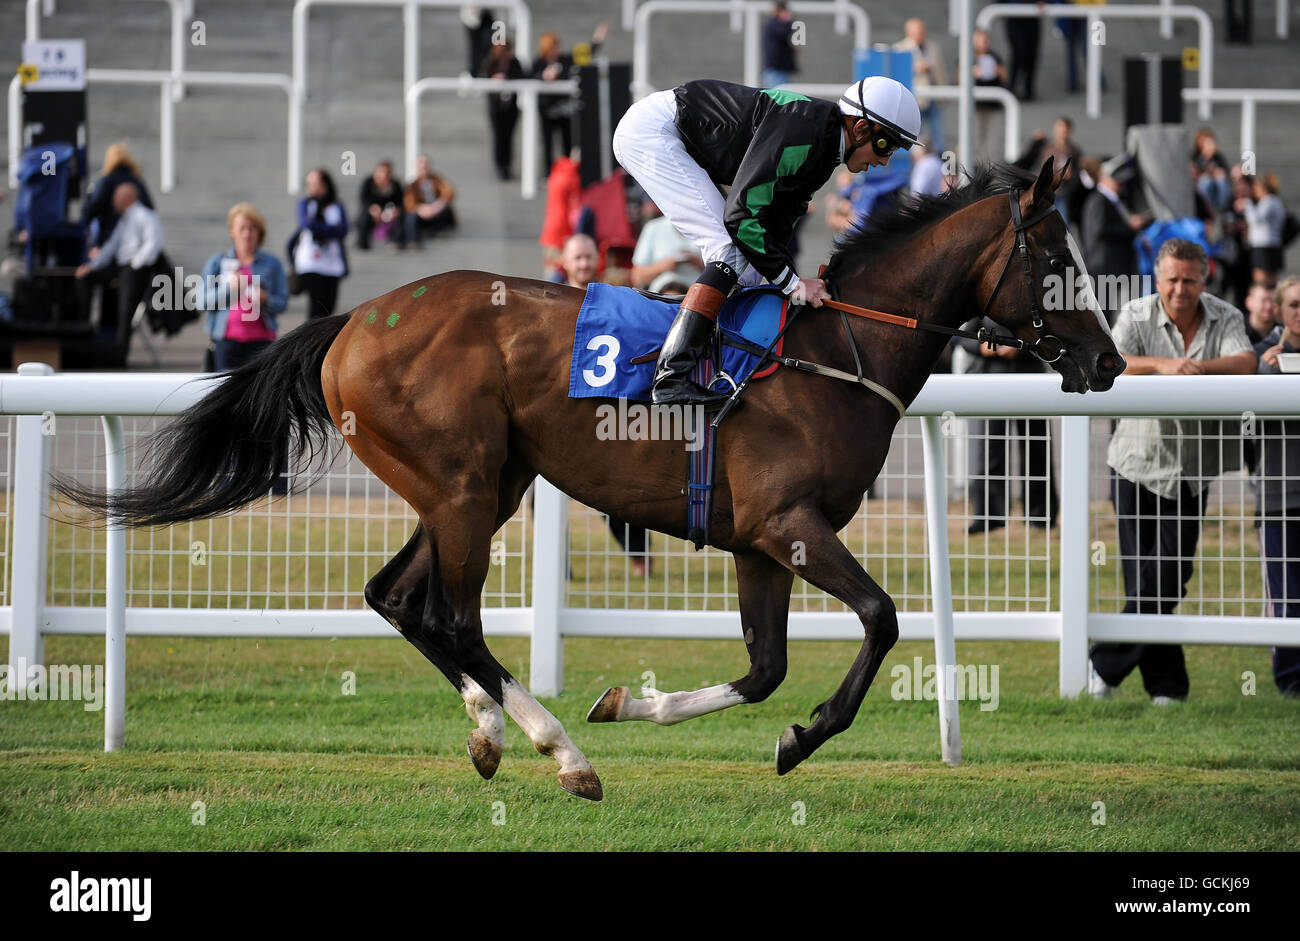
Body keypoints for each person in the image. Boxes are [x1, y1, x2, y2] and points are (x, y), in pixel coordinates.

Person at [612, 75, 921, 407]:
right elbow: (741, 218)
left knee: (748, 273)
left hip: (670, 131)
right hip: (653, 132)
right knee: (729, 251)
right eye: (886, 145)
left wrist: (791, 282)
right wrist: (792, 284)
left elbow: (777, 229)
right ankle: (670, 378)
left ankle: (718, 366)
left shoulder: (823, 149)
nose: (885, 160)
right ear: (860, 128)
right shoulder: (808, 135)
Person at [1091, 239, 1257, 704]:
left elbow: (1246, 363)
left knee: (1169, 573)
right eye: (1172, 279)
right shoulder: (1136, 314)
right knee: (1145, 578)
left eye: (1189, 279)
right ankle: (1167, 687)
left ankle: (1103, 664)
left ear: (1205, 279)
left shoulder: (1226, 316)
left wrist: (1193, 369)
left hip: (1191, 469)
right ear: (1158, 278)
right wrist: (1165, 365)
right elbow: (1112, 363)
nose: (1180, 289)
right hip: (1136, 463)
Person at [562, 233, 651, 575]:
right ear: (565, 263)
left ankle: (640, 559)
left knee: (617, 494)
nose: (583, 264)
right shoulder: (542, 300)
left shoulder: (611, 301)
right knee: (543, 500)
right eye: (577, 258)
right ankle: (559, 567)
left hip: (603, 413)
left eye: (587, 257)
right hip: (556, 414)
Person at [957, 318, 1059, 535]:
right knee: (989, 451)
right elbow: (960, 336)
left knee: (1037, 450)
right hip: (990, 384)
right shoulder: (982, 299)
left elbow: (1053, 339)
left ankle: (1040, 516)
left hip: (1031, 382)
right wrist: (981, 348)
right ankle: (988, 516)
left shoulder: (1034, 301)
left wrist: (1020, 350)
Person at [1253, 276, 1300, 695]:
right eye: (1295, 304)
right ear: (1281, 310)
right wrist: (1264, 376)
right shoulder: (1260, 357)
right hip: (1278, 499)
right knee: (1286, 598)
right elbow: (1244, 426)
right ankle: (1289, 682)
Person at [74, 181, 164, 354]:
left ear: (125, 198)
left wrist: (136, 264)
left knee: (125, 308)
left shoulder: (145, 216)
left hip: (136, 270)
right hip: (121, 267)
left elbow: (154, 244)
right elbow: (111, 247)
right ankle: (83, 327)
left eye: (116, 197)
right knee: (86, 278)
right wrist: (92, 267)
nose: (113, 201)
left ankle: (120, 351)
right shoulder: (125, 220)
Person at [202, 203, 289, 372]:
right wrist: (229, 289)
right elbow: (201, 301)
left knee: (260, 395)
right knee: (226, 394)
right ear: (232, 232)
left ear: (260, 232)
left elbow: (283, 303)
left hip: (262, 341)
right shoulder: (218, 262)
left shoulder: (272, 264)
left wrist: (266, 299)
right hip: (226, 340)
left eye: (252, 228)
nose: (247, 234)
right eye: (242, 228)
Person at [531, 23, 608, 174]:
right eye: (553, 46)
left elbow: (585, 55)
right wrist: (544, 76)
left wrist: (597, 39)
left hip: (564, 109)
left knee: (567, 143)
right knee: (547, 143)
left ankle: (567, 172)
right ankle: (548, 173)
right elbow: (529, 77)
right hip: (546, 110)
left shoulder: (565, 60)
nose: (556, 49)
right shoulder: (538, 63)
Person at [1080, 163, 1144, 323]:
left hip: (1111, 266)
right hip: (1104, 267)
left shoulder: (1108, 200)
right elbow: (1100, 229)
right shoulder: (1099, 200)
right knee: (1103, 314)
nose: (1121, 185)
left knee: (1110, 312)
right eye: (1118, 181)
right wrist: (1130, 228)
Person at [289, 168, 348, 319]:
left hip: (332, 262)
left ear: (325, 185)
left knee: (329, 307)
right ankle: (311, 341)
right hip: (311, 262)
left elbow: (343, 229)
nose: (311, 187)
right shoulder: (306, 204)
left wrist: (323, 230)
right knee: (316, 307)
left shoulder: (336, 205)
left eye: (315, 183)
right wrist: (329, 230)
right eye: (309, 183)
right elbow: (307, 224)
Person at [892, 17, 947, 154]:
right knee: (916, 133)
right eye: (918, 31)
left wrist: (943, 92)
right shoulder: (900, 48)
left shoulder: (933, 47)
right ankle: (917, 160)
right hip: (913, 99)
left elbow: (940, 70)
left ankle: (939, 158)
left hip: (932, 96)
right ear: (909, 32)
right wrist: (915, 68)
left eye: (922, 30)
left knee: (936, 131)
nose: (921, 34)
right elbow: (896, 72)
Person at [631, 201, 703, 293]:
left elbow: (722, 273)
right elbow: (637, 277)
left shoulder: (706, 228)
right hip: (661, 295)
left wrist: (697, 263)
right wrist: (664, 266)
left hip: (695, 297)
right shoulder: (653, 227)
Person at [479, 38, 524, 180]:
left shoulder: (514, 63)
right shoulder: (491, 62)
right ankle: (499, 166)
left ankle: (507, 166)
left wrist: (508, 79)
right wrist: (494, 80)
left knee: (509, 137)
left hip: (511, 107)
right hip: (496, 107)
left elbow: (522, 76)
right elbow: (482, 76)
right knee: (499, 137)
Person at [539, 149, 583, 280]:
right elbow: (575, 206)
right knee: (561, 266)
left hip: (550, 225)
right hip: (563, 227)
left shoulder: (557, 172)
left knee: (550, 263)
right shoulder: (572, 177)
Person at [1238, 172, 1285, 288]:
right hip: (1271, 244)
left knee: (1261, 279)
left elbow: (1256, 219)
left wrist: (1247, 204)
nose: (1255, 191)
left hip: (1264, 245)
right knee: (1270, 279)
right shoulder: (1274, 201)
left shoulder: (1269, 201)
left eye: (1257, 188)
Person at [971, 28, 1009, 160]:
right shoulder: (969, 56)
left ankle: (989, 166)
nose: (984, 43)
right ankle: (974, 166)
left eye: (986, 40)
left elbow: (1006, 79)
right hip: (974, 105)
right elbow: (958, 79)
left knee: (992, 140)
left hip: (993, 104)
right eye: (982, 40)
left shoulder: (995, 57)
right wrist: (971, 73)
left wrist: (999, 71)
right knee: (975, 137)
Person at [403, 154, 457, 247]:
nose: (423, 167)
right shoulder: (413, 185)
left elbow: (449, 191)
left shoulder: (437, 180)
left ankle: (438, 230)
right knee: (410, 217)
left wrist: (438, 205)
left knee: (447, 209)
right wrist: (421, 208)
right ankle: (413, 240)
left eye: (425, 164)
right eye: (421, 164)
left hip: (436, 211)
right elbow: (409, 203)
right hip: (422, 212)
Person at [998, 0, 1044, 101]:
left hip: (1032, 18)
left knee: (1031, 54)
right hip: (1015, 18)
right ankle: (1011, 87)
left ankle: (1028, 89)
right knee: (1019, 52)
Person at [356, 160, 406, 250]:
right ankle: (362, 243)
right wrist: (373, 209)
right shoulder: (368, 183)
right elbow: (364, 200)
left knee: (402, 218)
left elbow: (400, 203)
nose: (384, 176)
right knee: (364, 217)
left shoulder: (395, 185)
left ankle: (396, 242)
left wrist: (395, 211)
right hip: (373, 214)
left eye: (387, 173)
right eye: (382, 172)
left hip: (390, 215)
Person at [1191, 128, 1232, 216]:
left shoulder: (1218, 158)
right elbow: (1194, 175)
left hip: (1217, 191)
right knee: (1206, 181)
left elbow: (1225, 173)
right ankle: (1207, 211)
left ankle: (1221, 211)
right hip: (1201, 190)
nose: (1212, 146)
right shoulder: (1196, 157)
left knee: (1222, 182)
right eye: (1209, 143)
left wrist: (1219, 174)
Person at [761, 2, 799, 87]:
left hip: (779, 70)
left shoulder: (776, 25)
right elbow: (786, 30)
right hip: (775, 70)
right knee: (778, 98)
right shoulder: (774, 24)